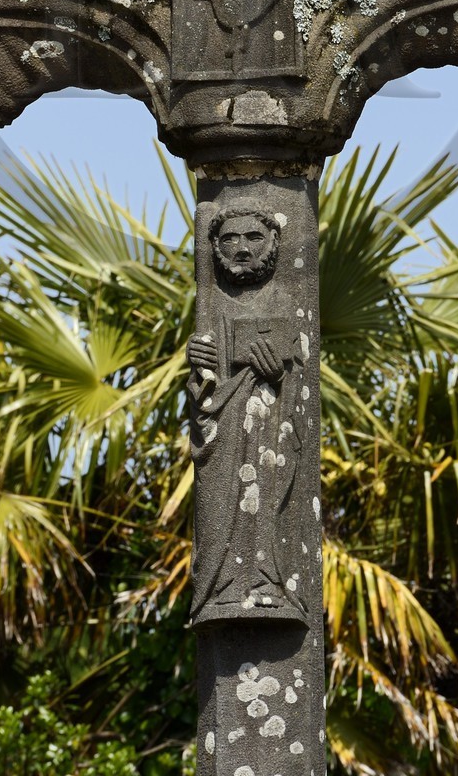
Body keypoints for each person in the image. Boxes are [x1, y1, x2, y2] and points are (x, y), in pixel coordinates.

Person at [186, 204, 308, 627]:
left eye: (253, 238)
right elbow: (203, 397)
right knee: (217, 500)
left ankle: (266, 582)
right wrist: (199, 365)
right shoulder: (211, 307)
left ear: (274, 242)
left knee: (270, 490)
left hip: (269, 430)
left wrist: (281, 376)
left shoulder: (289, 302)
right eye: (229, 240)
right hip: (222, 433)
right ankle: (220, 586)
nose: (241, 249)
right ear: (215, 249)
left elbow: (300, 393)